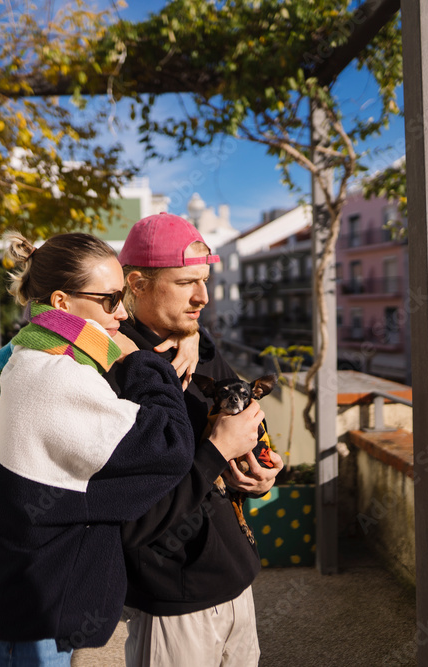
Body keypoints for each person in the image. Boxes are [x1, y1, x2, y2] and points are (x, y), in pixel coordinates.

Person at [0, 231, 263, 666]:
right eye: (110, 299)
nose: (120, 312)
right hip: (29, 605)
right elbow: (168, 447)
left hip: (29, 594)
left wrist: (192, 336)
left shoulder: (35, 351)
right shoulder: (62, 374)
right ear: (61, 302)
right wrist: (137, 359)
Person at [108, 213, 285, 667]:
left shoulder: (200, 345)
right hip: (173, 593)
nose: (203, 296)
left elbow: (246, 422)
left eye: (205, 280)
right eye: (188, 282)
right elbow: (132, 508)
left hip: (235, 574)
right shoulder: (113, 364)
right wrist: (219, 449)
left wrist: (260, 469)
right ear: (138, 283)